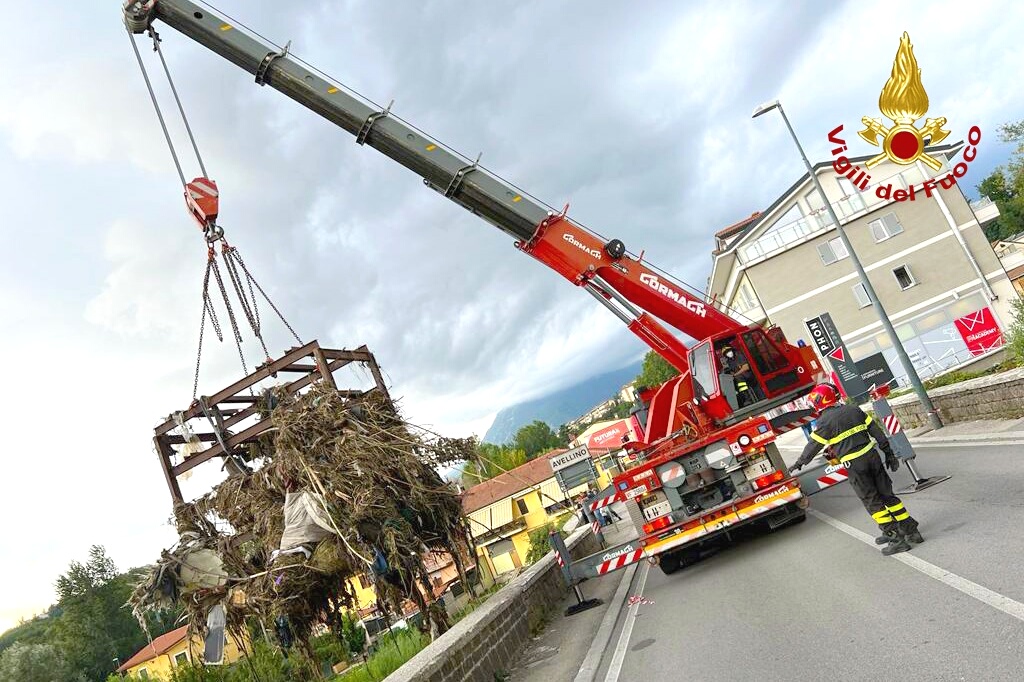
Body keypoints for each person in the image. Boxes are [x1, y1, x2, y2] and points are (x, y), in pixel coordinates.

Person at [790, 383, 924, 556]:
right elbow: (877, 431)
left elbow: (813, 445)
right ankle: (911, 530)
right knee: (887, 495)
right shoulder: (854, 410)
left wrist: (800, 463)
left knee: (872, 501)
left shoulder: (824, 422)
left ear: (819, 402)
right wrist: (889, 453)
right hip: (873, 457)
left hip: (854, 465)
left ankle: (895, 539)